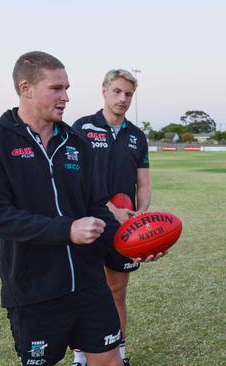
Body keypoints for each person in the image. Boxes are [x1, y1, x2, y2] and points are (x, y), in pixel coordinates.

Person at [0, 51, 123, 366]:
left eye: (67, 88)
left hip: (90, 283)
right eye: (56, 88)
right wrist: (65, 230)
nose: (66, 96)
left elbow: (96, 208)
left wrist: (128, 244)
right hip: (34, 291)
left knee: (108, 360)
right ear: (26, 88)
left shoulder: (77, 143)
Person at [71, 69, 152, 366]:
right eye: (117, 91)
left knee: (118, 292)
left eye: (128, 94)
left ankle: (119, 352)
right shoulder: (82, 127)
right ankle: (81, 355)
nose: (123, 99)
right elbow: (75, 177)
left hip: (124, 230)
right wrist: (109, 207)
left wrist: (140, 216)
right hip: (88, 223)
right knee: (86, 291)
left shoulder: (136, 136)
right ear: (104, 91)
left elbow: (143, 183)